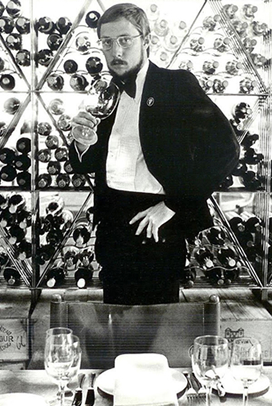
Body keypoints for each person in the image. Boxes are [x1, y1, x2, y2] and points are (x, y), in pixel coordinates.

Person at [69, 3, 240, 305]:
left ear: (146, 40)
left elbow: (226, 150)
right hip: (113, 224)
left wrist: (174, 204)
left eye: (124, 40)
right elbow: (93, 163)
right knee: (115, 321)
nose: (115, 51)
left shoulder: (176, 85)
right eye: (107, 42)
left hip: (157, 224)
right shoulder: (107, 92)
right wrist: (83, 144)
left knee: (158, 325)